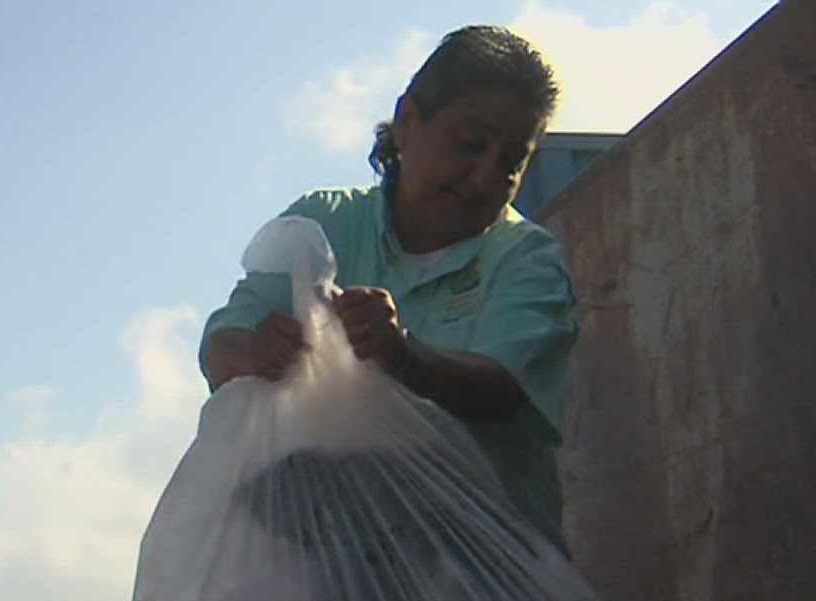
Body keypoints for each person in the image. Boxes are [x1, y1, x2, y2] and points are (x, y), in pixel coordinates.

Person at [199, 26, 578, 549]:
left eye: (512, 162)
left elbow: (504, 388)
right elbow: (221, 348)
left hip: (483, 583)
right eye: (470, 146)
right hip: (316, 570)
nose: (485, 176)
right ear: (407, 122)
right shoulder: (321, 224)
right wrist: (260, 350)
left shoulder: (526, 257)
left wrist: (405, 357)